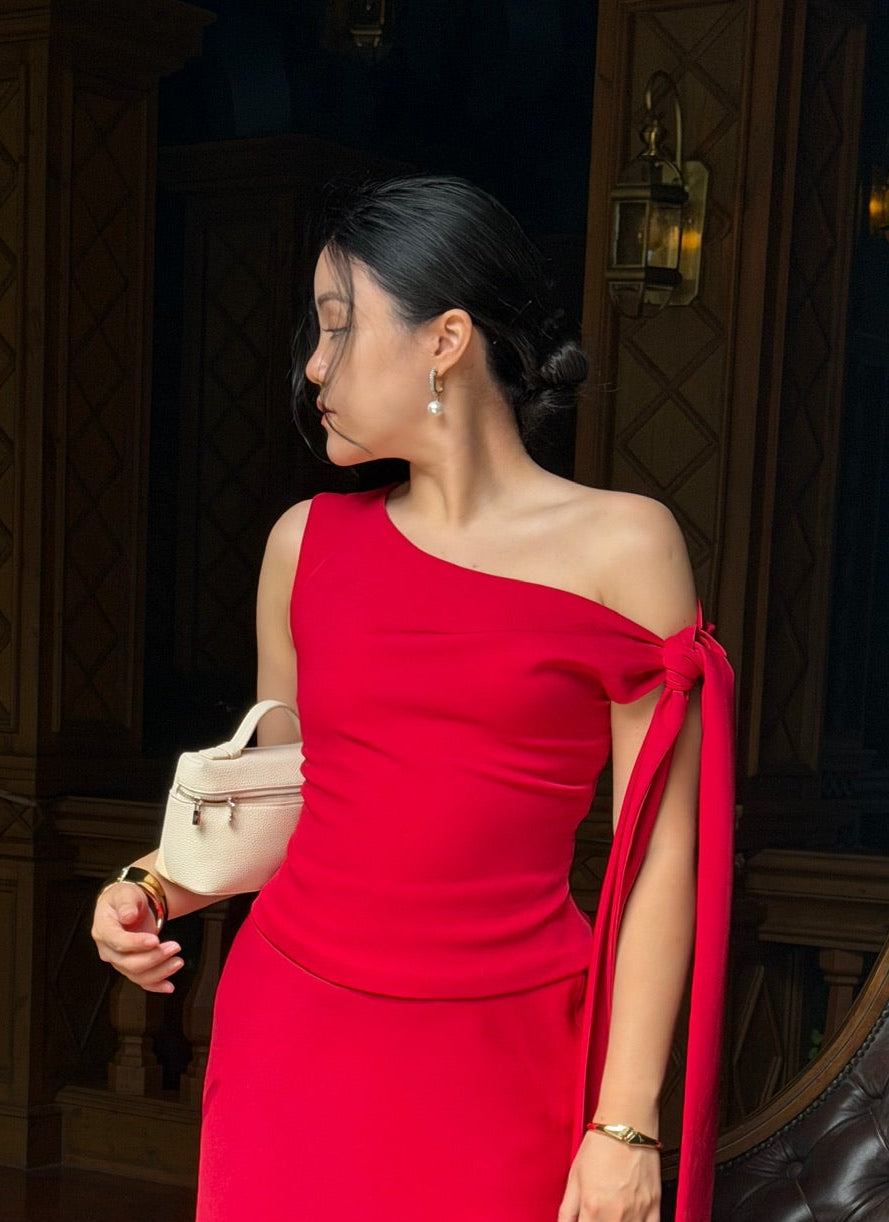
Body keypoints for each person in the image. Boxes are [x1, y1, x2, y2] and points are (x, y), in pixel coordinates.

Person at [92, 176, 734, 1222]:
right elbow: (278, 805)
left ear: (444, 339)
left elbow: (662, 852)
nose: (311, 365)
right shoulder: (303, 545)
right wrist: (148, 887)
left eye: (338, 327)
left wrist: (625, 1122)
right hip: (291, 1033)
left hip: (510, 1054)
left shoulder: (625, 545)